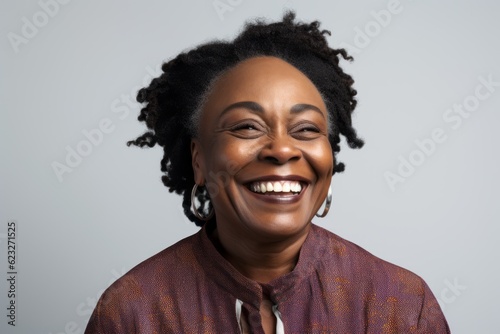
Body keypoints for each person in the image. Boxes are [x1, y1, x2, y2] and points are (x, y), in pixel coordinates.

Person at [85, 11, 450, 333]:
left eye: (306, 129)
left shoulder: (401, 307)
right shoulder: (131, 313)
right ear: (199, 160)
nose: (282, 149)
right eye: (246, 127)